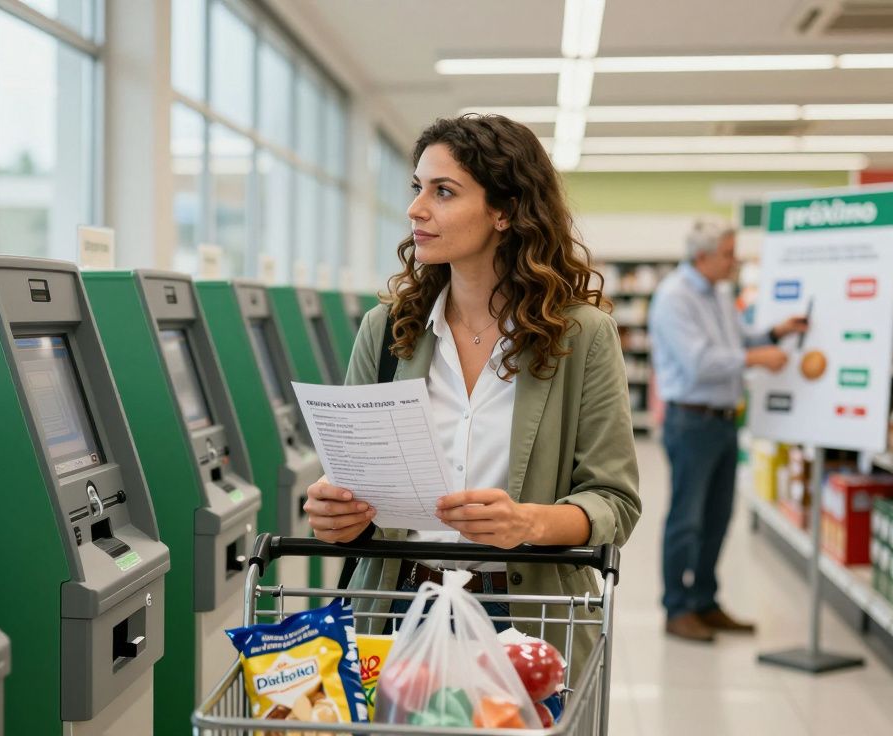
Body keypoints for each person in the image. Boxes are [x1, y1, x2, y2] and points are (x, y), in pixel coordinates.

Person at [302, 114, 642, 673]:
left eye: (443, 191)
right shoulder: (387, 330)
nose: (416, 208)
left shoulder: (581, 336)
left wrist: (527, 523)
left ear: (505, 210)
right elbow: (351, 484)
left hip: (524, 612)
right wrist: (335, 511)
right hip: (396, 608)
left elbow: (615, 502)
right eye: (417, 189)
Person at [649, 218, 808, 643]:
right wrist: (757, 360)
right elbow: (700, 362)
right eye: (728, 253)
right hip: (691, 420)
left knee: (718, 517)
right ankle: (676, 609)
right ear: (701, 256)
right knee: (686, 519)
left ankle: (705, 601)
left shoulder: (720, 293)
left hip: (722, 420)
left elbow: (742, 338)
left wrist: (776, 332)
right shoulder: (674, 298)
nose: (734, 261)